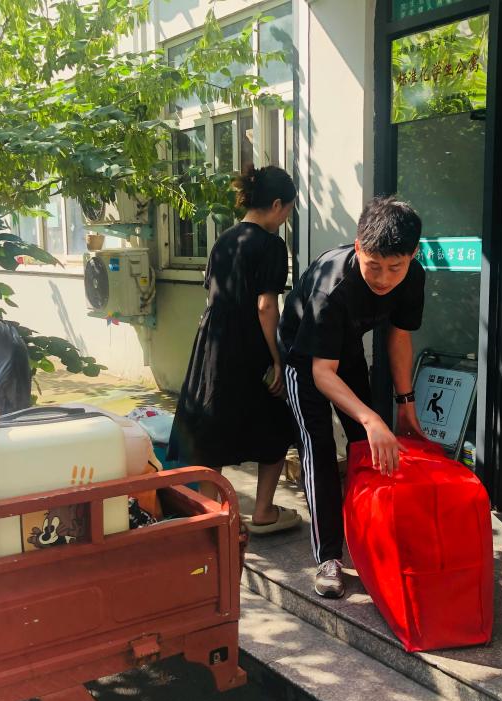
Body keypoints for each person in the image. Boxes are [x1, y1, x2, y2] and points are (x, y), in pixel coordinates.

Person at [279, 196, 427, 598]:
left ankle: (373, 535)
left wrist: (405, 404)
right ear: (359, 247)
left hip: (346, 352)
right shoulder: (333, 287)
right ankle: (328, 557)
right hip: (304, 358)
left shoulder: (413, 276)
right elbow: (321, 373)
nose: (384, 278)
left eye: (395, 267)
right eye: (373, 265)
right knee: (320, 451)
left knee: (367, 446)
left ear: (413, 255)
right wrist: (372, 417)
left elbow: (399, 337)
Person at [168, 165, 302, 534]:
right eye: (288, 210)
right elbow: (265, 306)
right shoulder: (271, 245)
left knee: (213, 425)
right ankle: (263, 512)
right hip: (249, 341)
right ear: (276, 205)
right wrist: (277, 357)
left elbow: (212, 294)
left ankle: (212, 515)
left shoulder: (224, 240)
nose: (286, 218)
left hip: (212, 342)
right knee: (276, 423)